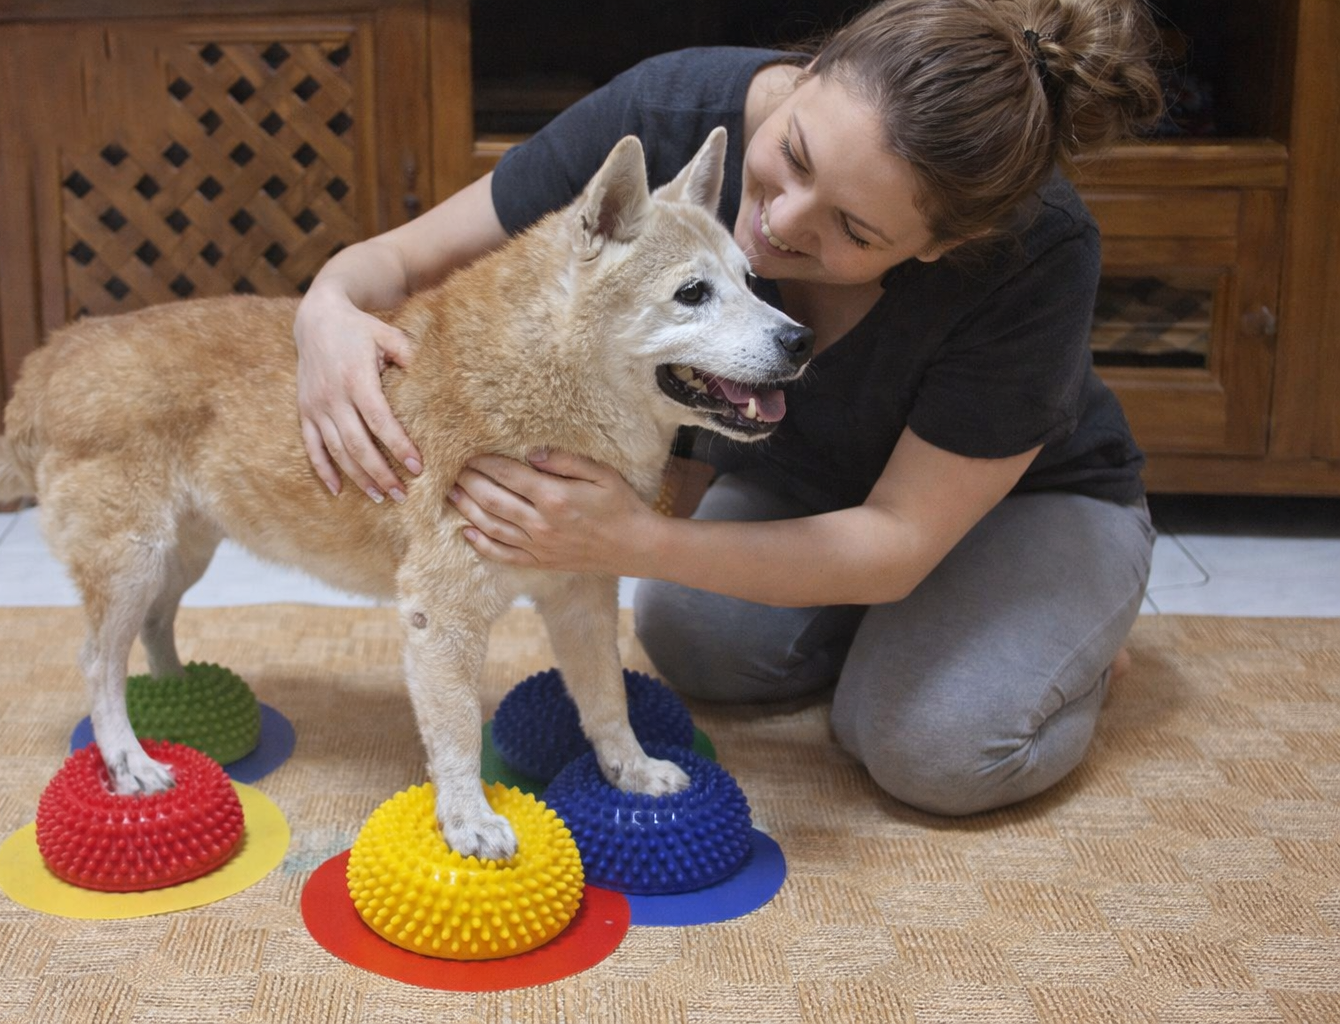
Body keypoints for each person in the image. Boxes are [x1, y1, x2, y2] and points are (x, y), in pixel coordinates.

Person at [293, 0, 1164, 817]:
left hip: (1026, 503)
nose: (780, 225)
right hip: (811, 481)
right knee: (699, 641)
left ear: (947, 244)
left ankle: (1062, 638)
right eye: (793, 155)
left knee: (932, 750)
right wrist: (325, 309)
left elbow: (898, 541)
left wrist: (637, 538)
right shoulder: (671, 110)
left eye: (854, 232)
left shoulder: (1035, 248)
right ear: (809, 71)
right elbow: (393, 263)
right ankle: (902, 631)